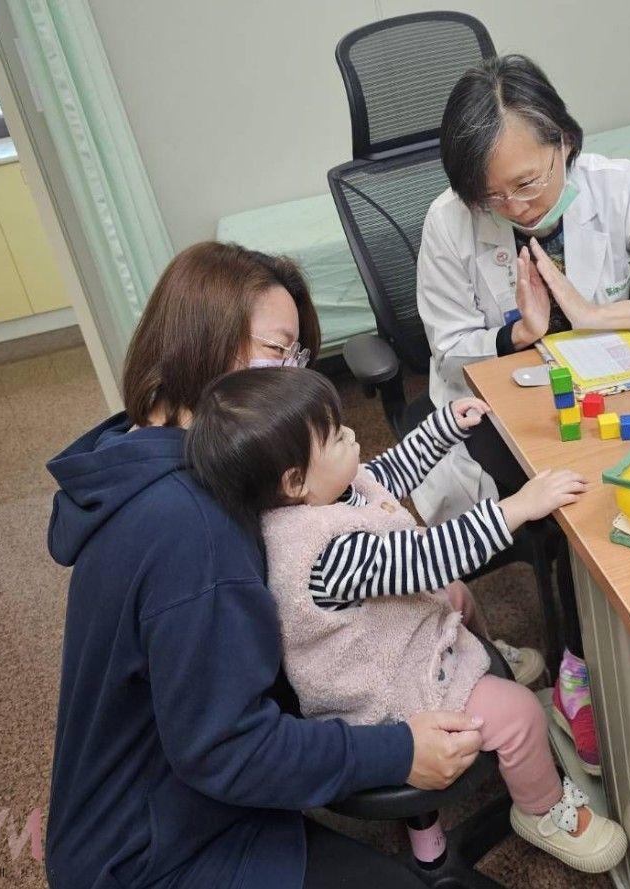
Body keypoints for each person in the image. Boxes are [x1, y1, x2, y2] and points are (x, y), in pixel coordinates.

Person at [44, 242, 485, 889]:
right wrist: (400, 751)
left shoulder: (142, 448)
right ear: (198, 343)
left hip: (175, 801)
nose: (292, 377)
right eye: (277, 351)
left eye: (298, 357)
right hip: (154, 856)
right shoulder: (192, 527)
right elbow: (225, 748)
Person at [414, 54, 630, 776]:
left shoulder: (614, 185)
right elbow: (447, 347)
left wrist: (602, 316)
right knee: (575, 504)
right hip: (494, 409)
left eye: (527, 183)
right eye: (492, 195)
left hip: (608, 389)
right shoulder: (448, 222)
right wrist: (519, 333)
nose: (514, 207)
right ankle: (580, 662)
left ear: (563, 142)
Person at [185, 366, 629, 873]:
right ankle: (544, 810)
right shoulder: (323, 551)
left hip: (389, 635)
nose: (352, 433)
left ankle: (481, 658)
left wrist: (444, 427)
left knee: (456, 595)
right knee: (521, 713)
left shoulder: (327, 489)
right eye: (336, 436)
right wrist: (518, 507)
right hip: (383, 691)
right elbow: (430, 556)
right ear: (294, 481)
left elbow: (389, 472)